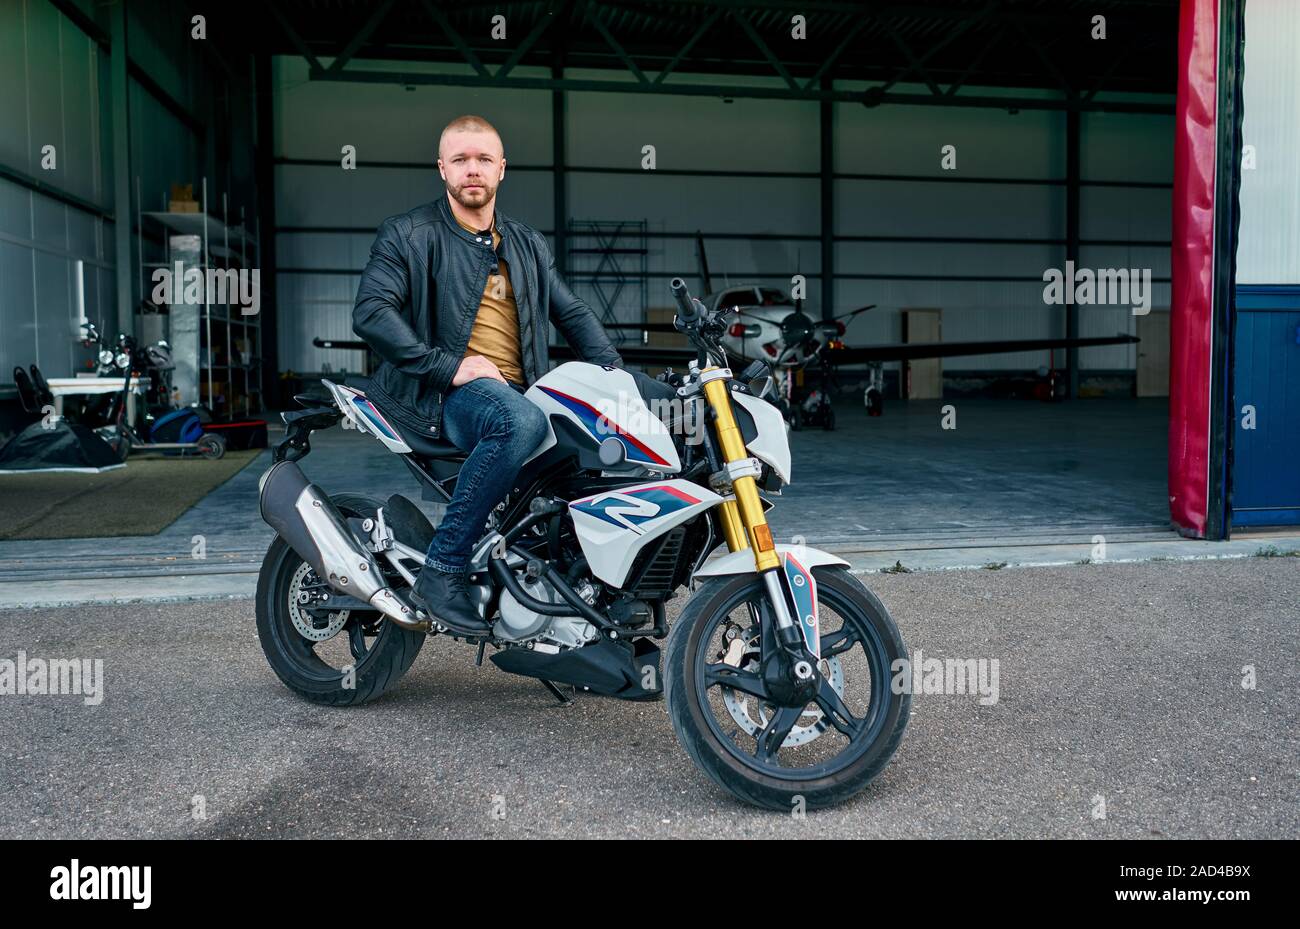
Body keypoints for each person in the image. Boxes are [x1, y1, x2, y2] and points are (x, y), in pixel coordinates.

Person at [352, 114, 624, 636]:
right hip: (441, 395)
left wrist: (618, 382)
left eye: (482, 159)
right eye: (460, 159)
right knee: (519, 424)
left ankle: (582, 606)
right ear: (442, 169)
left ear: (502, 168)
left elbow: (572, 314)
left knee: (602, 454)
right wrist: (449, 367)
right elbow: (372, 311)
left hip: (522, 392)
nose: (472, 169)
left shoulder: (524, 243)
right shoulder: (410, 234)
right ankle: (442, 570)